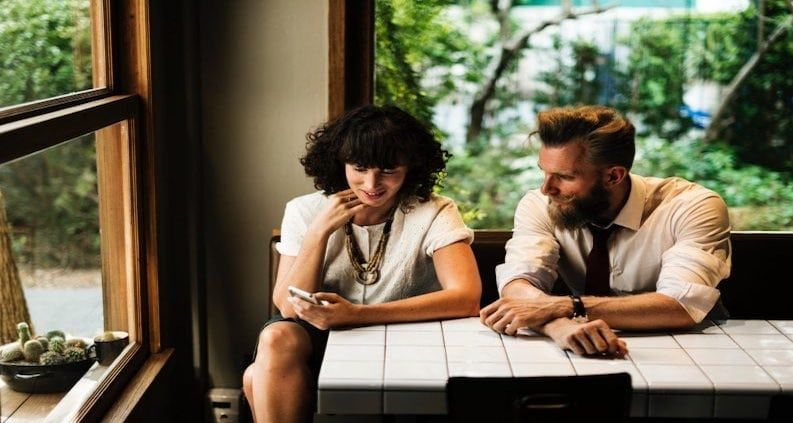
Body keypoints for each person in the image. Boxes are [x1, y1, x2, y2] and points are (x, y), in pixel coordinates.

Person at [242, 105, 481, 423]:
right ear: (340, 163)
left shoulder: (434, 210)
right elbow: (288, 306)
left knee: (253, 377)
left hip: (409, 336)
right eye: (359, 168)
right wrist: (319, 231)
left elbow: (467, 298)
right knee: (275, 338)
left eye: (389, 170)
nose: (371, 183)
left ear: (411, 167)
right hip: (323, 339)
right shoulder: (304, 211)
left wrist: (356, 315)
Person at [480, 105, 731, 357]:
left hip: (694, 349)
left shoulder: (692, 206)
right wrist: (559, 326)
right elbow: (519, 283)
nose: (547, 188)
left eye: (564, 176)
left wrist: (569, 307)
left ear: (613, 176)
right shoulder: (540, 204)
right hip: (584, 349)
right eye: (544, 172)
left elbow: (681, 305)